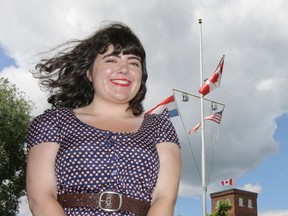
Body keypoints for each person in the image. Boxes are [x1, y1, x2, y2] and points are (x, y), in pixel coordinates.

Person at [26, 22, 181, 216]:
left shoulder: (160, 127)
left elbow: (164, 200)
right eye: (111, 60)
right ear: (89, 72)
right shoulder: (53, 122)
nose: (124, 69)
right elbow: (40, 197)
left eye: (134, 62)